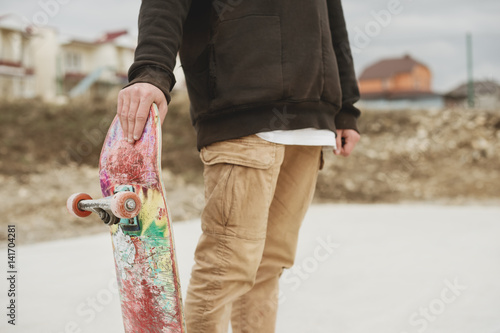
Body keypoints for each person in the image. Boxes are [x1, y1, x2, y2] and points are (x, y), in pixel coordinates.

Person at [117, 0, 361, 332]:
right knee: (225, 269)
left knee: (268, 266)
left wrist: (346, 106)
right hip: (243, 109)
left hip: (312, 120)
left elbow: (334, 20)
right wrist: (152, 71)